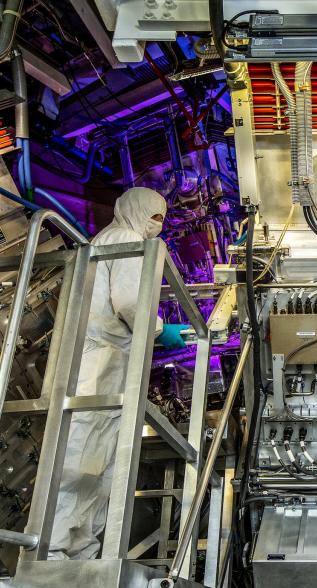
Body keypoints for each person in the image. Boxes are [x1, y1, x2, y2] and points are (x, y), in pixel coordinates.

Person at [48, 187, 189, 560]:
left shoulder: (108, 238)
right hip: (97, 366)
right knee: (81, 463)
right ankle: (57, 552)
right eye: (154, 215)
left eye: (162, 217)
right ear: (135, 210)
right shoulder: (124, 238)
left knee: (101, 466)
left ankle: (79, 554)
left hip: (109, 363)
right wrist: (161, 331)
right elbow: (129, 301)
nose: (158, 224)